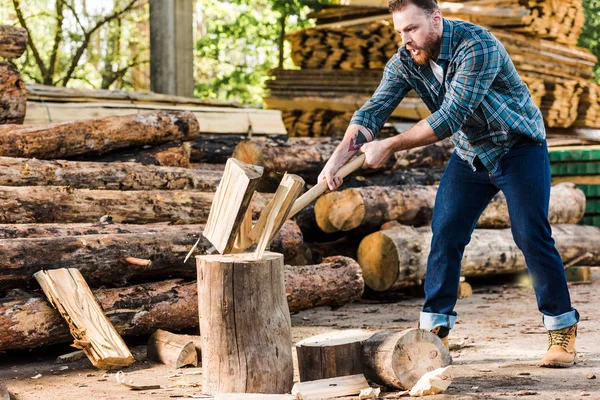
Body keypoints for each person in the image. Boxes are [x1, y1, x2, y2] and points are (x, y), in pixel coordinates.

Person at [317, 0, 579, 368]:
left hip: (518, 147)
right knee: (446, 231)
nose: (406, 39)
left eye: (412, 29)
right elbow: (372, 112)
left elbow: (450, 117)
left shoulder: (478, 45)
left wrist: (390, 145)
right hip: (471, 153)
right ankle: (434, 331)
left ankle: (561, 328)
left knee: (530, 234)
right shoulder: (408, 58)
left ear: (436, 19)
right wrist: (337, 157)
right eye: (400, 31)